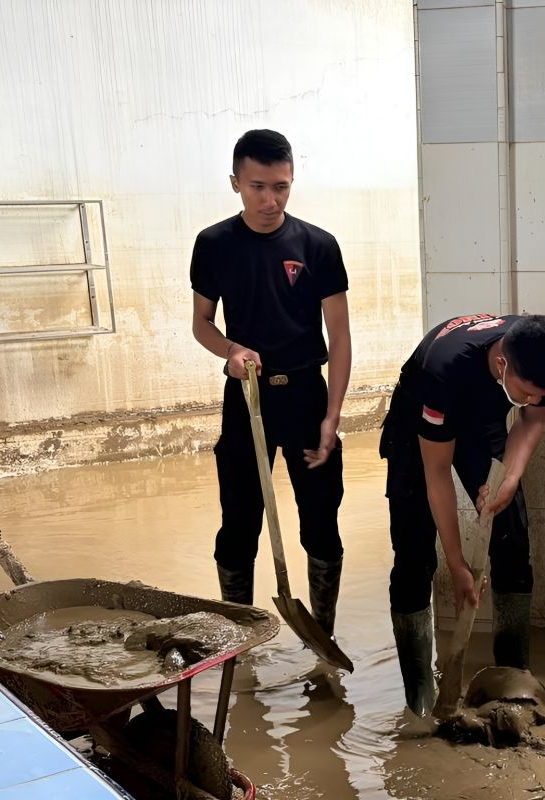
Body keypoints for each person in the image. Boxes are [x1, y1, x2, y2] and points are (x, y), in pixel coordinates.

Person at [190, 129, 351, 638]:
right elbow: (202, 324)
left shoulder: (318, 245)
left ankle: (322, 635)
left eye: (281, 187)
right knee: (239, 524)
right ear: (235, 183)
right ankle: (238, 640)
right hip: (247, 398)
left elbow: (340, 336)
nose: (270, 200)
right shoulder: (214, 244)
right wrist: (231, 352)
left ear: (292, 181)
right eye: (257, 186)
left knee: (320, 523)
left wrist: (332, 418)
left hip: (306, 397)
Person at [380, 313, 545, 715]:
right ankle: (420, 698)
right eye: (527, 391)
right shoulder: (443, 371)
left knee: (511, 534)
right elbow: (437, 474)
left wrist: (511, 477)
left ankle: (513, 681)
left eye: (542, 394)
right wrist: (456, 563)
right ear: (502, 365)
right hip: (418, 422)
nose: (534, 399)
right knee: (414, 553)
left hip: (479, 420)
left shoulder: (543, 354)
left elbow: (532, 419)